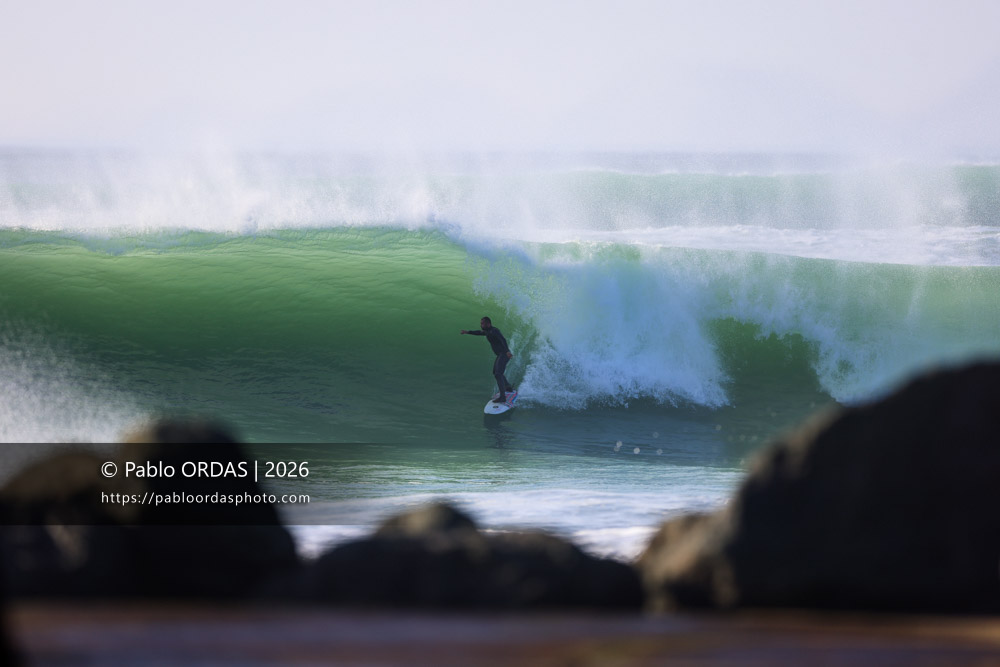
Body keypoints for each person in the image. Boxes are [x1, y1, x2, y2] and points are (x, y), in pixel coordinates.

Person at [460, 316, 515, 403]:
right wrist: (467, 332)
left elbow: (503, 340)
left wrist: (507, 351)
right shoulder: (487, 331)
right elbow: (479, 332)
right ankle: (508, 386)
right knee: (495, 372)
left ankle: (503, 397)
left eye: (482, 323)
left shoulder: (494, 331)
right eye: (481, 323)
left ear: (488, 324)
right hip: (500, 354)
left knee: (498, 374)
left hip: (504, 354)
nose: (481, 325)